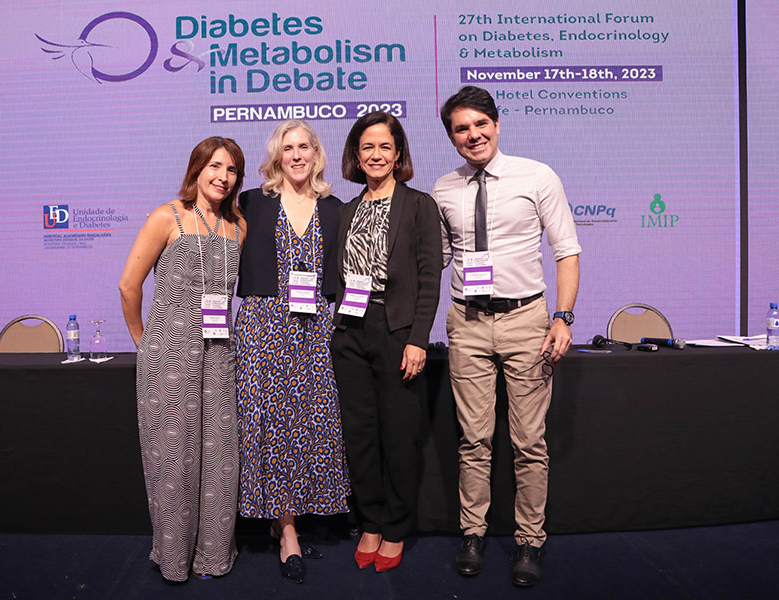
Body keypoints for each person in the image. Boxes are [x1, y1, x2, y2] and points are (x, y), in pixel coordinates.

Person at [432, 86, 581, 588]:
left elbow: (566, 250)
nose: (473, 135)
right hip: (467, 322)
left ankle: (529, 540)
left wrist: (563, 317)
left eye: (480, 124)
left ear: (496, 124)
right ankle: (472, 534)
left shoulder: (537, 176)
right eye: (462, 129)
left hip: (526, 321)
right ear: (452, 137)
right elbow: (437, 258)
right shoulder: (443, 189)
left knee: (528, 442)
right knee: (473, 439)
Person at [118, 137, 247, 582]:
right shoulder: (166, 217)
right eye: (215, 166)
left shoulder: (238, 227)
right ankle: (174, 559)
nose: (223, 177)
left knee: (220, 456)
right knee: (175, 457)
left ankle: (212, 556)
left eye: (231, 170)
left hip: (219, 354)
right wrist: (144, 342)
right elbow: (128, 286)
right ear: (196, 170)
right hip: (169, 355)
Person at [235, 120, 350, 584]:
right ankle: (286, 532)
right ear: (277, 156)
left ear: (317, 153)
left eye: (305, 146)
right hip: (262, 327)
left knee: (309, 424)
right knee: (270, 425)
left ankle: (295, 515)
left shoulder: (335, 209)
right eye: (288, 148)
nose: (297, 155)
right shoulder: (252, 203)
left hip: (314, 331)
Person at [330, 111, 442, 572]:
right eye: (367, 148)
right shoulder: (346, 210)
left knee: (398, 435)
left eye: (385, 147)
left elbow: (429, 278)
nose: (376, 155)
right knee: (359, 435)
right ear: (356, 157)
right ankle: (370, 522)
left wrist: (418, 339)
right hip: (350, 332)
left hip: (397, 331)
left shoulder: (419, 205)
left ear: (398, 155)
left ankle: (395, 528)